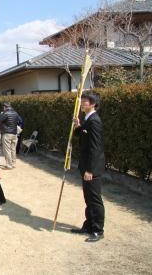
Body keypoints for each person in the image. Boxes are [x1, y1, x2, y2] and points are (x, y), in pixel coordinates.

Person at [71, 91, 105, 242]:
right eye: (83, 99)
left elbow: (95, 148)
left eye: (86, 100)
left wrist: (90, 170)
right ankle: (88, 225)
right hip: (85, 166)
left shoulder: (95, 121)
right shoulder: (87, 118)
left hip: (92, 168)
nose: (82, 102)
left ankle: (98, 229)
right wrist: (78, 126)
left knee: (94, 199)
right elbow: (82, 135)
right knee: (88, 198)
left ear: (93, 104)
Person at [0, 102, 21, 169]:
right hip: (14, 133)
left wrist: (1, 114)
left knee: (7, 150)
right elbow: (19, 121)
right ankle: (13, 163)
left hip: (7, 133)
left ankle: (9, 165)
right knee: (13, 149)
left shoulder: (5, 113)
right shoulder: (16, 113)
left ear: (5, 107)